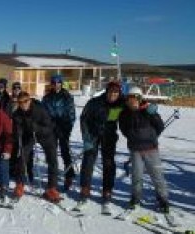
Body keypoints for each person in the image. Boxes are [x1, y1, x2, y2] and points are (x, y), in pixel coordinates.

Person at [119, 86, 171, 213]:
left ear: (140, 98)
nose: (133, 100)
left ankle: (163, 199)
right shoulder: (125, 113)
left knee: (157, 176)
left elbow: (160, 126)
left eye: (136, 97)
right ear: (127, 99)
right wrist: (133, 137)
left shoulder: (148, 110)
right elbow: (124, 130)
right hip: (135, 150)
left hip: (151, 149)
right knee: (136, 176)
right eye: (131, 97)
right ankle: (136, 198)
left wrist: (153, 115)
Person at [78, 80, 125, 210]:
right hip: (92, 135)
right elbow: (84, 119)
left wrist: (145, 107)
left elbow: (135, 105)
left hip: (109, 136)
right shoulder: (95, 102)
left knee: (109, 163)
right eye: (111, 92)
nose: (112, 95)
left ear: (119, 93)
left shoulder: (122, 103)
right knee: (88, 161)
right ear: (107, 91)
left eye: (116, 92)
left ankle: (107, 190)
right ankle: (85, 188)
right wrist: (86, 138)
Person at [12, 92, 60, 202]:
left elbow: (49, 126)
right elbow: (17, 127)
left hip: (45, 135)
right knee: (22, 157)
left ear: (30, 101)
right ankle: (20, 184)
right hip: (30, 136)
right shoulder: (17, 114)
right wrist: (18, 132)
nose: (23, 104)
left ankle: (52, 188)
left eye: (25, 101)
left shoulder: (39, 110)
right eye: (20, 102)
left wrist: (37, 128)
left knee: (52, 158)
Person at [42, 74, 76, 190]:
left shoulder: (67, 97)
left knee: (65, 151)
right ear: (51, 84)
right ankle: (53, 177)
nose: (56, 85)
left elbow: (71, 114)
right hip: (51, 128)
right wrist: (47, 125)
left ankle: (69, 175)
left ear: (61, 84)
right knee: (51, 153)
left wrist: (67, 128)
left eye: (58, 83)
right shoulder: (47, 98)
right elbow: (43, 113)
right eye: (54, 83)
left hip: (63, 127)